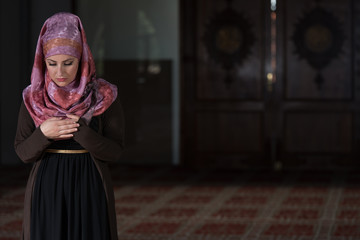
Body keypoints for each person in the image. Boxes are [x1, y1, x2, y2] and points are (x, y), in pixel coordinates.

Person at [14, 12, 124, 240]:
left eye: (68, 63)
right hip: (46, 185)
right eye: (52, 64)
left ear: (82, 59)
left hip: (89, 182)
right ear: (42, 61)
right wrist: (43, 133)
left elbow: (115, 152)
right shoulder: (33, 98)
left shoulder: (103, 96)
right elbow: (23, 152)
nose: (60, 72)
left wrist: (83, 133)